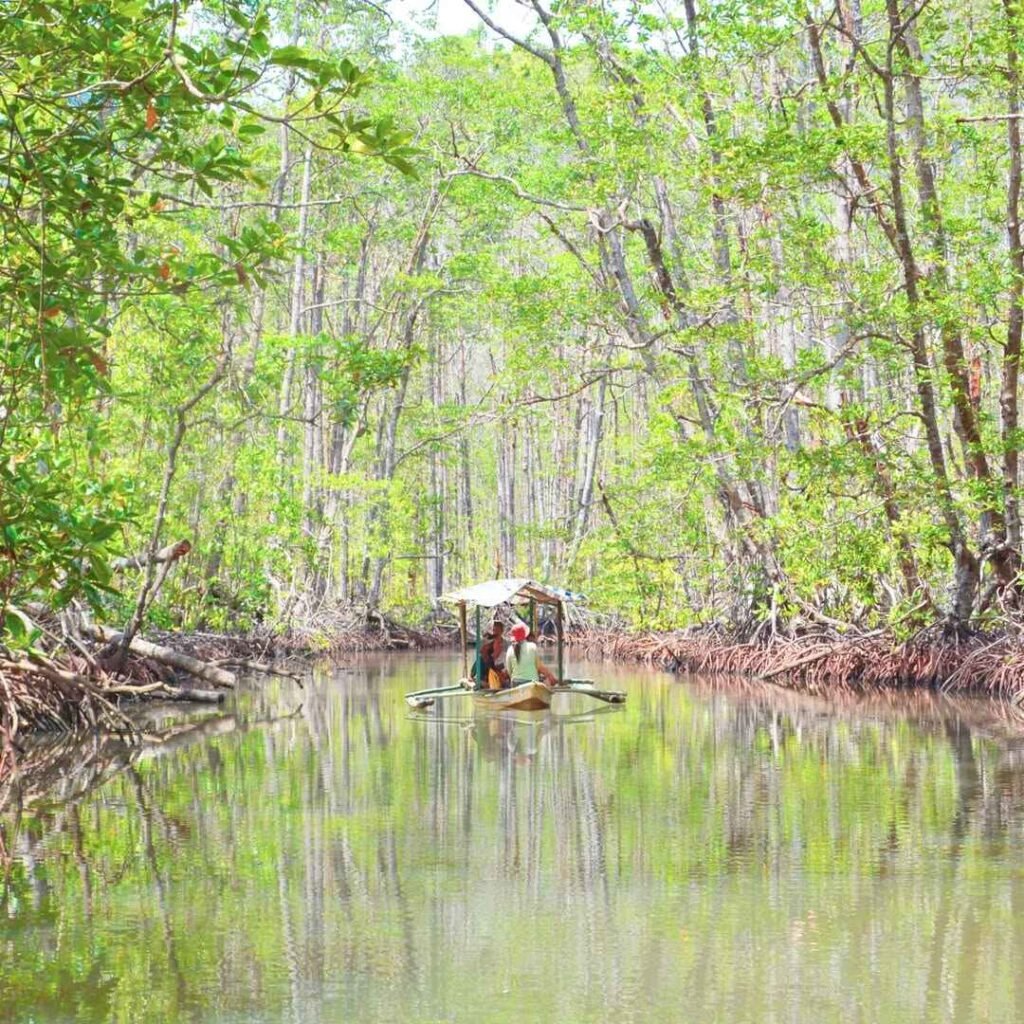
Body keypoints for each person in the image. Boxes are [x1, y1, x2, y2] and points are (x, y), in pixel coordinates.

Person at [504, 622, 556, 687]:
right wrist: (549, 676)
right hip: (532, 682)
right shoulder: (532, 646)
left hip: (515, 683)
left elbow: (509, 671)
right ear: (525, 636)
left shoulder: (509, 650)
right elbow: (539, 667)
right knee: (546, 682)